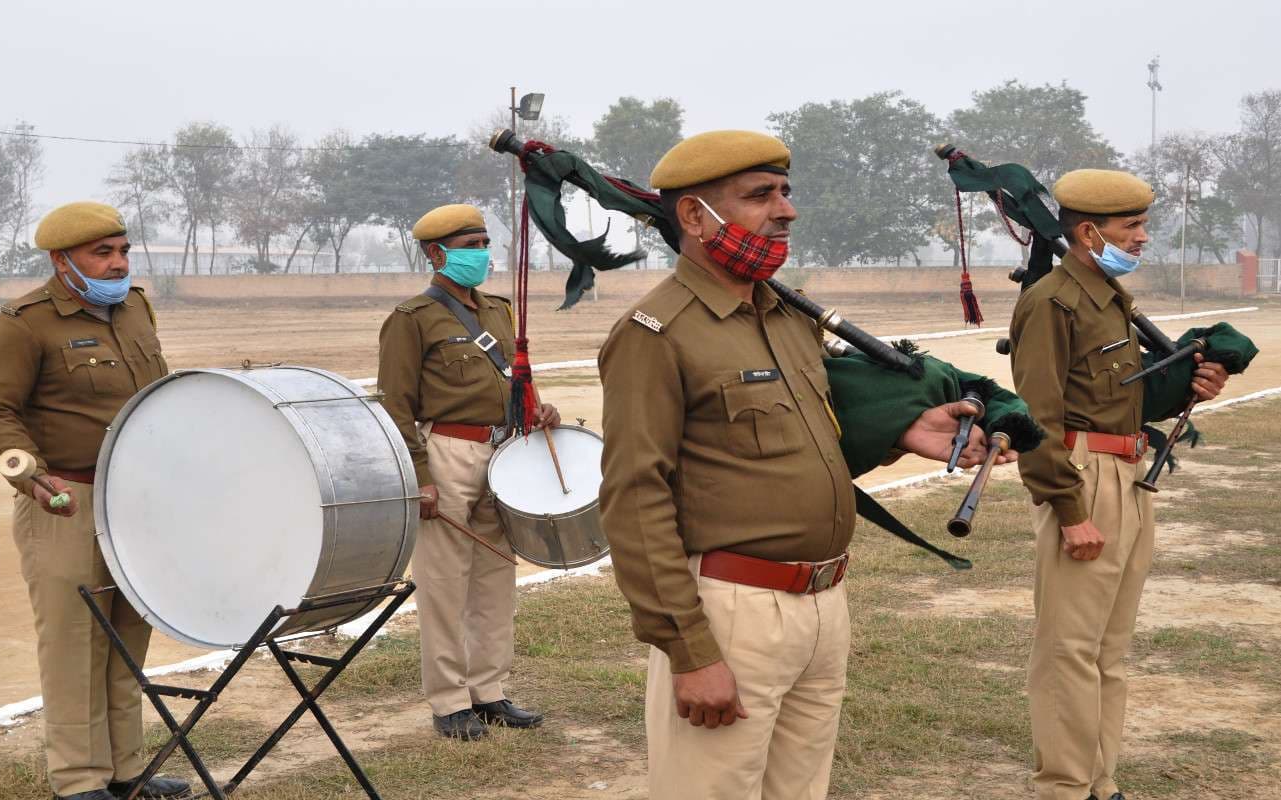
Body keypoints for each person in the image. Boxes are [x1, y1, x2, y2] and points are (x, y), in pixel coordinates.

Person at [597, 131, 1017, 799]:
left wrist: (903, 435)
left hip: (823, 605)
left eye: (785, 192)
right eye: (759, 195)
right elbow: (632, 495)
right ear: (693, 217)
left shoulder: (786, 318)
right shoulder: (657, 334)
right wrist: (689, 649)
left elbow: (802, 448)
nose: (785, 209)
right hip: (734, 610)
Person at [1008, 169, 1230, 800]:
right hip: (1084, 478)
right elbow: (1038, 419)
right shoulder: (1052, 300)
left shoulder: (1109, 297)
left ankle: (1100, 782)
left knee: (1111, 651)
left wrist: (1192, 384)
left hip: (1131, 474)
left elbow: (1122, 400)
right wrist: (1069, 508)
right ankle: (1065, 786)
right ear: (1088, 231)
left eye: (1141, 224)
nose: (1142, 237)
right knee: (1069, 650)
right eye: (1131, 226)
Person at [0, 202, 187, 800]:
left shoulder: (137, 307)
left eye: (122, 250)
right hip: (66, 498)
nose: (117, 263)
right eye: (103, 253)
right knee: (73, 640)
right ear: (61, 261)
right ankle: (78, 780)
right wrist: (30, 476)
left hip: (136, 497)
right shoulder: (25, 322)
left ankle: (127, 773)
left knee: (128, 638)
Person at [377, 203, 559, 740]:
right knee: (443, 582)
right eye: (469, 246)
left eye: (484, 244)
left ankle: (491, 691)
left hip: (504, 454)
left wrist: (537, 410)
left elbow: (517, 377)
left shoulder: (498, 311)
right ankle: (450, 701)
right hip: (448, 454)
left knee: (496, 576)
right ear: (437, 254)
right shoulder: (412, 319)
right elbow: (395, 404)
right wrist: (418, 476)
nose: (482, 254)